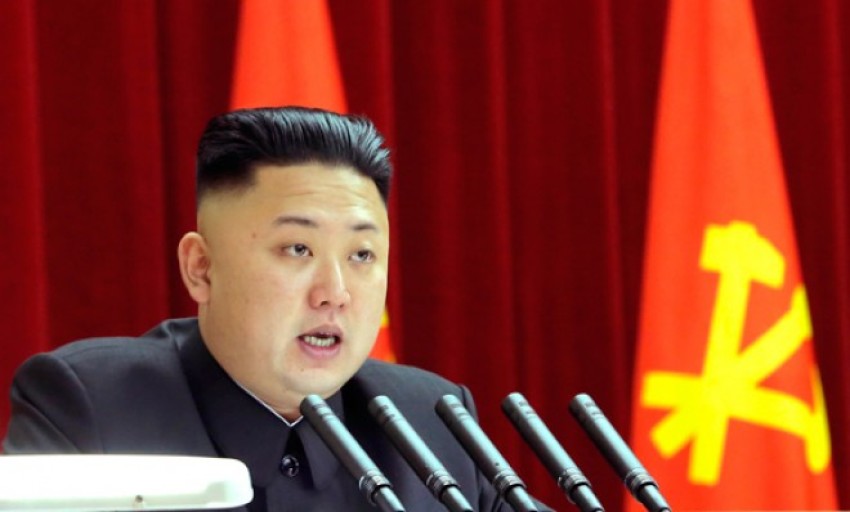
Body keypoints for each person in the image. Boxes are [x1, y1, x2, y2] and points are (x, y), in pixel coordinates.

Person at [3, 107, 550, 511]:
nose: (334, 291)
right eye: (298, 250)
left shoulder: (429, 420)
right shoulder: (89, 407)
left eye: (362, 254)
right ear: (201, 268)